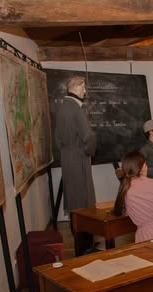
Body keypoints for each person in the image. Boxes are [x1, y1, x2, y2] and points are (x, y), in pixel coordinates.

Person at [54, 76, 97, 252]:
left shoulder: (62, 107)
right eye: (83, 87)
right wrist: (89, 152)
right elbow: (89, 136)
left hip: (67, 158)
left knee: (74, 201)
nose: (85, 91)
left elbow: (57, 138)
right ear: (76, 87)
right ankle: (85, 245)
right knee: (83, 202)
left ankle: (80, 242)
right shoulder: (76, 108)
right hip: (79, 159)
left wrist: (67, 151)